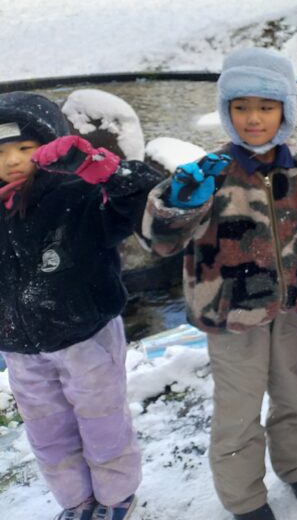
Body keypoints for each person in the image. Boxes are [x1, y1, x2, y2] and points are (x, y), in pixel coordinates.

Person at [142, 48, 297, 520]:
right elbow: (159, 242)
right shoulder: (209, 172)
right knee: (238, 407)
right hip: (230, 313)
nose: (253, 118)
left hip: (295, 306)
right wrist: (179, 204)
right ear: (227, 110)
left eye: (266, 106)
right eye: (240, 107)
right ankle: (244, 498)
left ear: (286, 109)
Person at [0, 92, 162, 520]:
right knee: (48, 433)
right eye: (0, 152)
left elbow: (143, 200)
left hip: (87, 337)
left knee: (102, 422)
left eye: (25, 147)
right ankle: (74, 501)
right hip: (20, 348)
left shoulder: (79, 194)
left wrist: (100, 168)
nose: (12, 160)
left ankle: (116, 496)